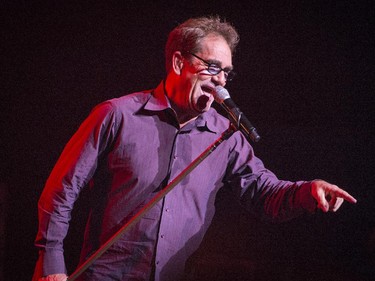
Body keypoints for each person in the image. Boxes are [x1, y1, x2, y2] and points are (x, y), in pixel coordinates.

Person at [32, 16, 357, 281]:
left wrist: (307, 191)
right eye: (212, 67)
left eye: (227, 73)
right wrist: (52, 265)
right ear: (178, 62)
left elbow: (263, 193)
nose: (221, 82)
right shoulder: (117, 115)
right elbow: (61, 192)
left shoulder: (226, 134)